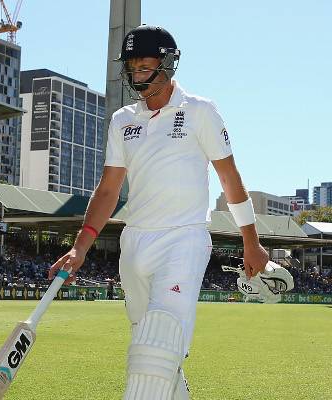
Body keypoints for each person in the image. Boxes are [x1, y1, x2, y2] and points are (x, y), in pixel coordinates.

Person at [49, 24, 269, 399]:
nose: (137, 76)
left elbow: (230, 179)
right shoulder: (122, 120)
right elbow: (108, 189)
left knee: (157, 346)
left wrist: (251, 240)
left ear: (168, 64)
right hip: (135, 243)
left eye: (145, 66)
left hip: (184, 238)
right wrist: (80, 246)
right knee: (151, 350)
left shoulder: (200, 110)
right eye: (132, 67)